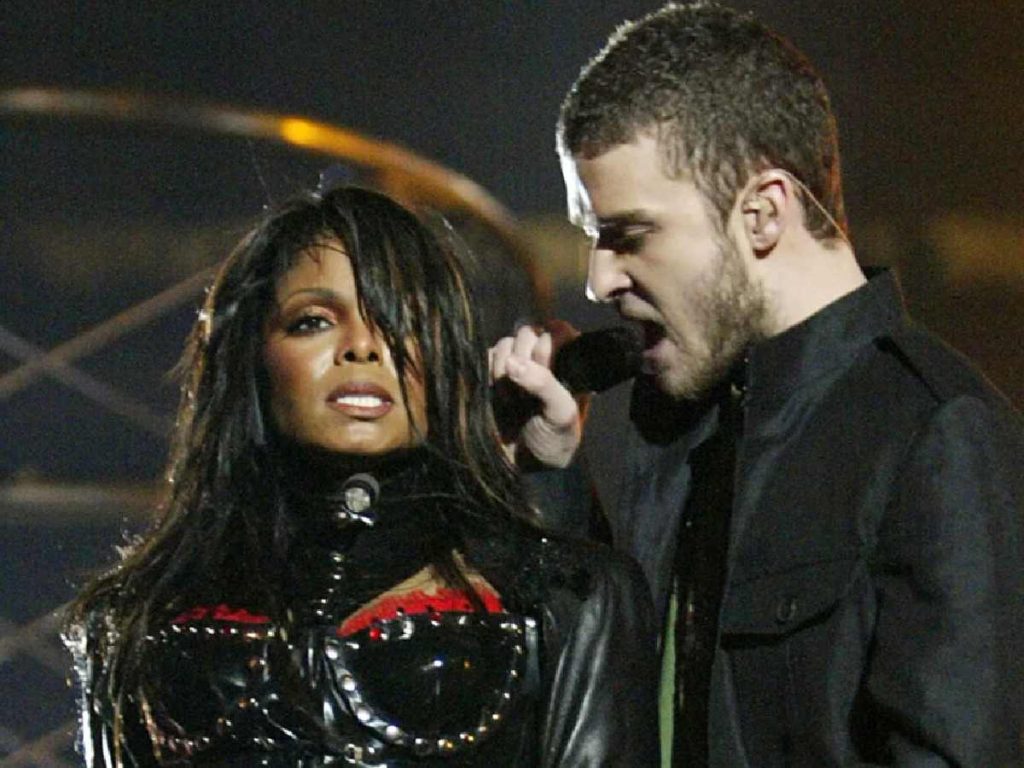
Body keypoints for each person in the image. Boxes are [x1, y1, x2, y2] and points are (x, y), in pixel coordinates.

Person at [490, 3, 1024, 766]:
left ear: (763, 213)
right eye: (590, 238)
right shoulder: (673, 421)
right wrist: (548, 479)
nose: (600, 280)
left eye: (629, 236)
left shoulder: (937, 437)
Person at [63, 184, 658, 767]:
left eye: (400, 318)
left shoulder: (572, 596)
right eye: (313, 321)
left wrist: (541, 482)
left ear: (445, 357)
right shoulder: (130, 617)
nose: (364, 348)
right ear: (251, 358)